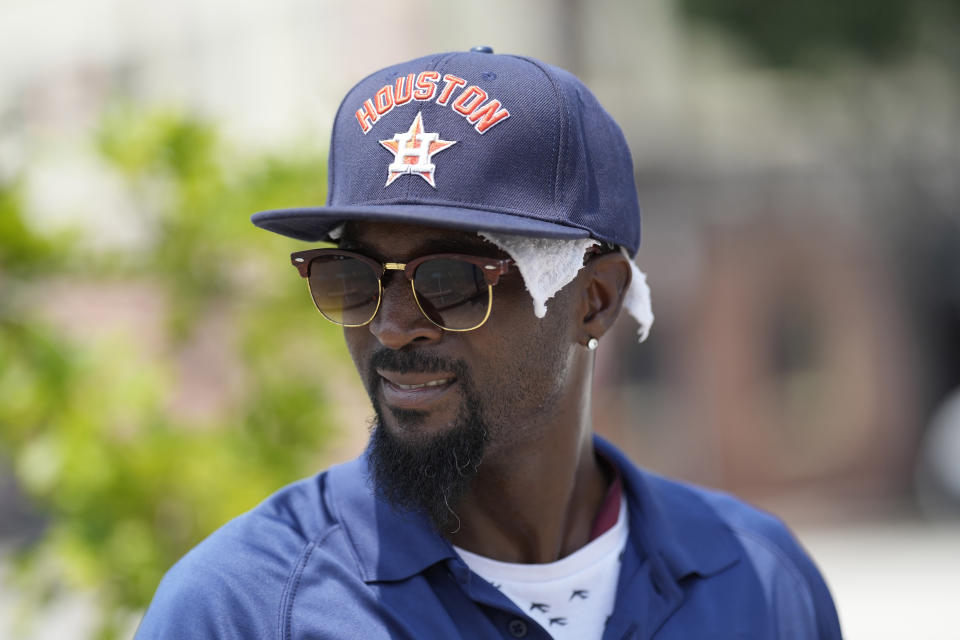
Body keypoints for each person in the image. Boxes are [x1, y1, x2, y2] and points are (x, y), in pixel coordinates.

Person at [136, 48, 842, 639]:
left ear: (594, 300)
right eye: (352, 276)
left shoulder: (757, 581)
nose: (391, 326)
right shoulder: (243, 610)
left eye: (451, 281)